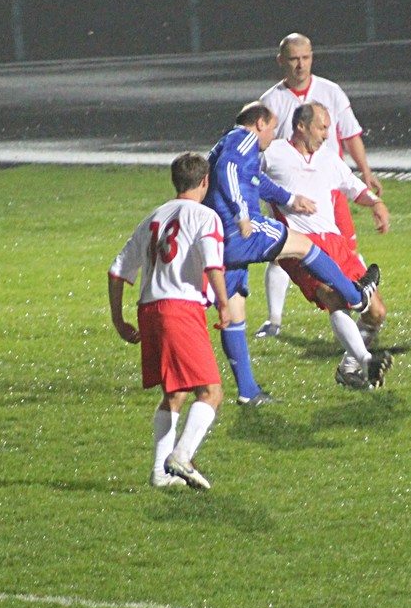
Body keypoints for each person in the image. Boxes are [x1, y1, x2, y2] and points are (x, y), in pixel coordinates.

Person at [205, 101, 382, 406]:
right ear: (260, 124)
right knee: (303, 246)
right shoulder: (243, 139)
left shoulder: (229, 144)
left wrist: (289, 198)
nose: (273, 135)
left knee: (233, 312)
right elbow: (228, 170)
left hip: (218, 238)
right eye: (272, 128)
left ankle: (248, 392)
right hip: (239, 230)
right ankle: (356, 297)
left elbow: (254, 181)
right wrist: (241, 214)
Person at [108, 152, 233, 490]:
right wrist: (224, 304)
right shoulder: (206, 216)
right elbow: (213, 264)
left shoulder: (154, 216)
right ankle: (182, 456)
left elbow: (117, 271)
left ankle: (160, 474)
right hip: (180, 310)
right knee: (211, 392)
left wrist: (119, 320)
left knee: (175, 392)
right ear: (205, 181)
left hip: (149, 311)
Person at [255, 33, 382, 340]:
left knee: (345, 252)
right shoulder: (271, 102)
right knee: (289, 257)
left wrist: (366, 174)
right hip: (290, 198)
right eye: (294, 59)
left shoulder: (331, 92)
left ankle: (360, 320)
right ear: (281, 61)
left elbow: (350, 134)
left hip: (330, 188)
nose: (300, 65)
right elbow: (250, 160)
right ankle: (275, 319)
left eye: (306, 58)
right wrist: (280, 196)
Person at [265, 102, 393, 388]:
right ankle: (366, 361)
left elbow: (354, 187)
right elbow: (242, 175)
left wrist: (376, 203)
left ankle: (348, 369)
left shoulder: (328, 158)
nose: (326, 134)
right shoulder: (273, 153)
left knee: (376, 312)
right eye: (322, 128)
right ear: (301, 126)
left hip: (335, 244)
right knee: (333, 296)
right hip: (298, 244)